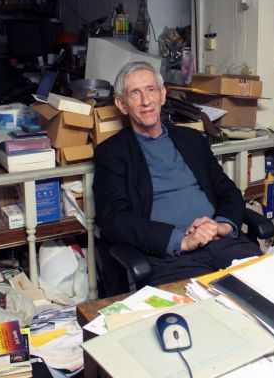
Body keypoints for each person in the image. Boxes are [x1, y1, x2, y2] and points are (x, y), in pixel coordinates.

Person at [93, 61, 262, 293]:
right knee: (196, 316)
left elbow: (227, 190)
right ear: (121, 105)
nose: (145, 101)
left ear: (162, 95)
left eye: (151, 90)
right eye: (135, 93)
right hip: (169, 257)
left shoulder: (192, 139)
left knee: (267, 292)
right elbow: (114, 220)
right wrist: (179, 241)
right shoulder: (111, 153)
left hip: (221, 242)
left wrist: (221, 225)